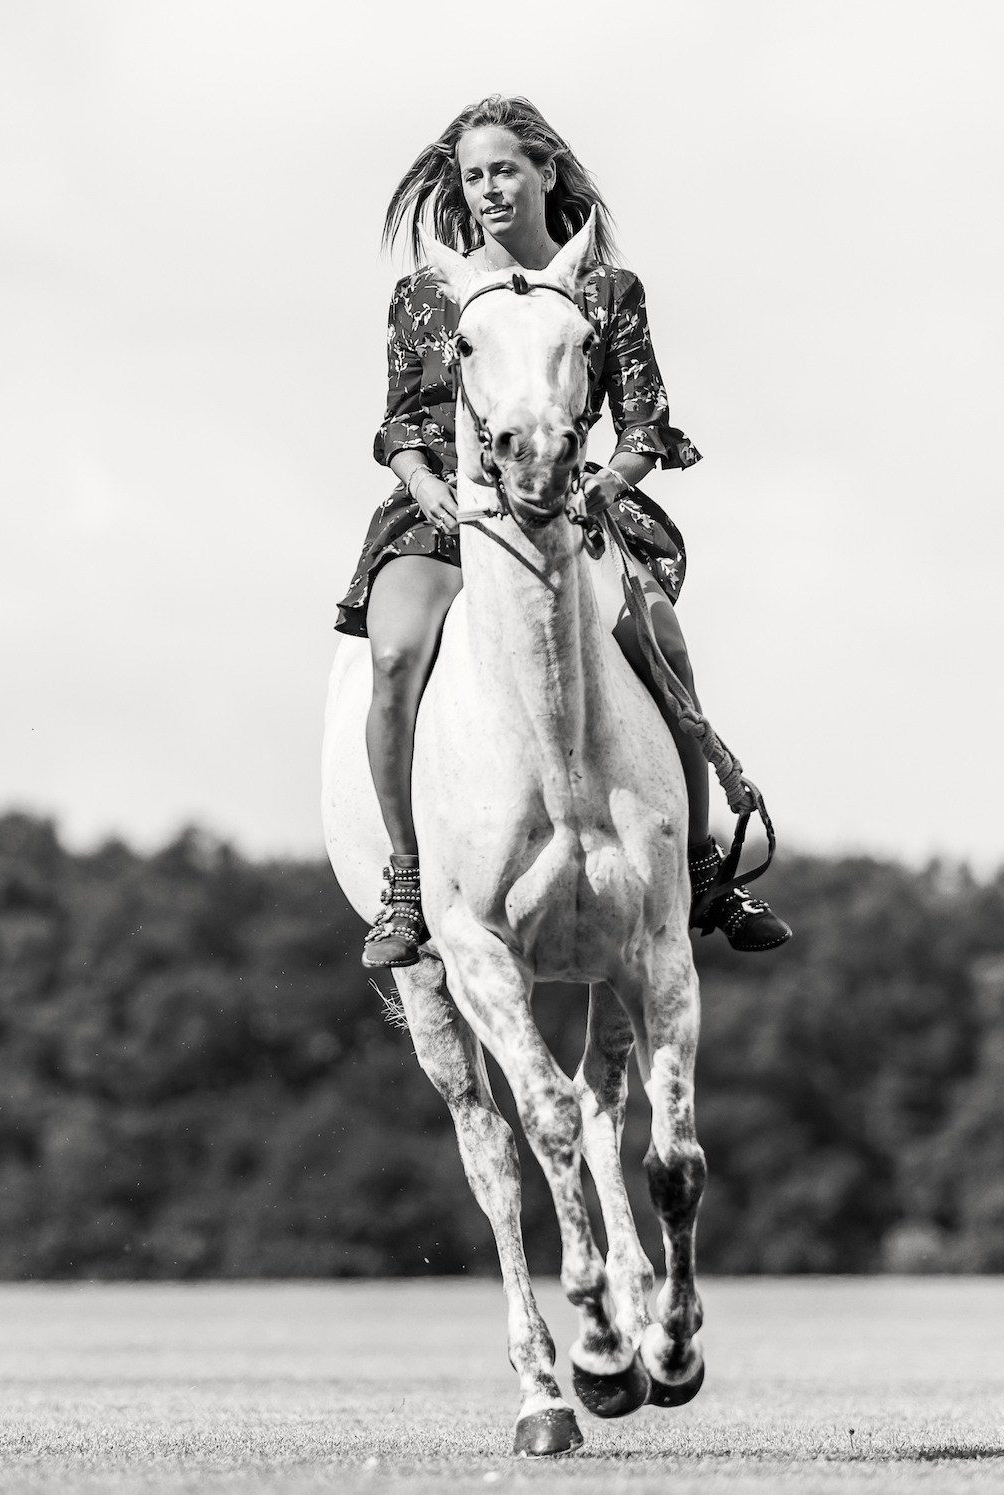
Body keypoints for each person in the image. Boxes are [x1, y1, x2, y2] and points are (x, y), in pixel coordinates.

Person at [334, 95, 789, 969]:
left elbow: (645, 426)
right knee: (393, 656)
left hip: (572, 506)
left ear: (545, 172)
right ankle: (406, 879)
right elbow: (399, 424)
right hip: (448, 515)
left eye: (504, 169)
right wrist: (426, 485)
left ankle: (701, 868)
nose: (489, 189)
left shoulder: (608, 292)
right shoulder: (426, 296)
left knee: (661, 639)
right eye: (473, 176)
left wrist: (603, 484)